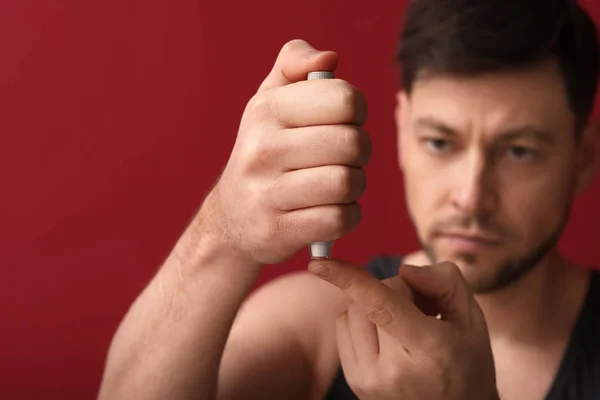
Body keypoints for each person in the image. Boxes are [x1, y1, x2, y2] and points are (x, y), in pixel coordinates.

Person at [98, 0, 600, 399]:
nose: (470, 197)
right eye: (440, 142)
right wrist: (221, 232)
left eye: (519, 151)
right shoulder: (316, 325)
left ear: (584, 157)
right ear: (402, 131)